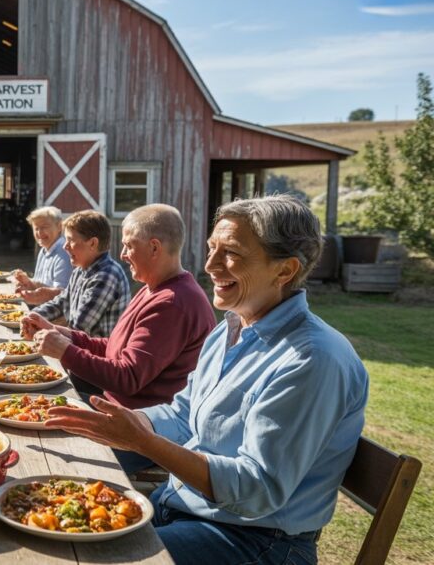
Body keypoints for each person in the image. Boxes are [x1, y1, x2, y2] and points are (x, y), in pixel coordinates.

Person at [46, 196, 369, 565]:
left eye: (231, 253)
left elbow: (256, 491)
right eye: (211, 248)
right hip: (186, 509)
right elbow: (184, 413)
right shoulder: (230, 328)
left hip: (257, 540)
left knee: (85, 557)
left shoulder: (312, 358)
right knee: (62, 520)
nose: (211, 265)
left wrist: (143, 441)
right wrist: (130, 423)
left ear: (284, 271)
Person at [23, 204, 215, 408]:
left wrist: (65, 351)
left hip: (139, 422)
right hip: (118, 406)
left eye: (129, 245)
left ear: (154, 248)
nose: (122, 254)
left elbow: (127, 378)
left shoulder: (172, 303)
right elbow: (115, 347)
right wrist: (62, 333)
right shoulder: (154, 288)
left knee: (34, 405)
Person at [28, 209, 130, 338]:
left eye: (70, 240)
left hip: (99, 355)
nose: (65, 246)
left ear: (92, 243)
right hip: (80, 350)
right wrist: (31, 317)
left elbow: (78, 329)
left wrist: (39, 326)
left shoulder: (106, 276)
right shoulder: (81, 270)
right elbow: (60, 303)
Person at [13, 206, 73, 305]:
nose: (39, 233)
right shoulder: (44, 250)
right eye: (36, 228)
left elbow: (61, 295)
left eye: (44, 227)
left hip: (56, 316)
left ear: (59, 227)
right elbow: (40, 286)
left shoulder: (64, 253)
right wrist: (28, 282)